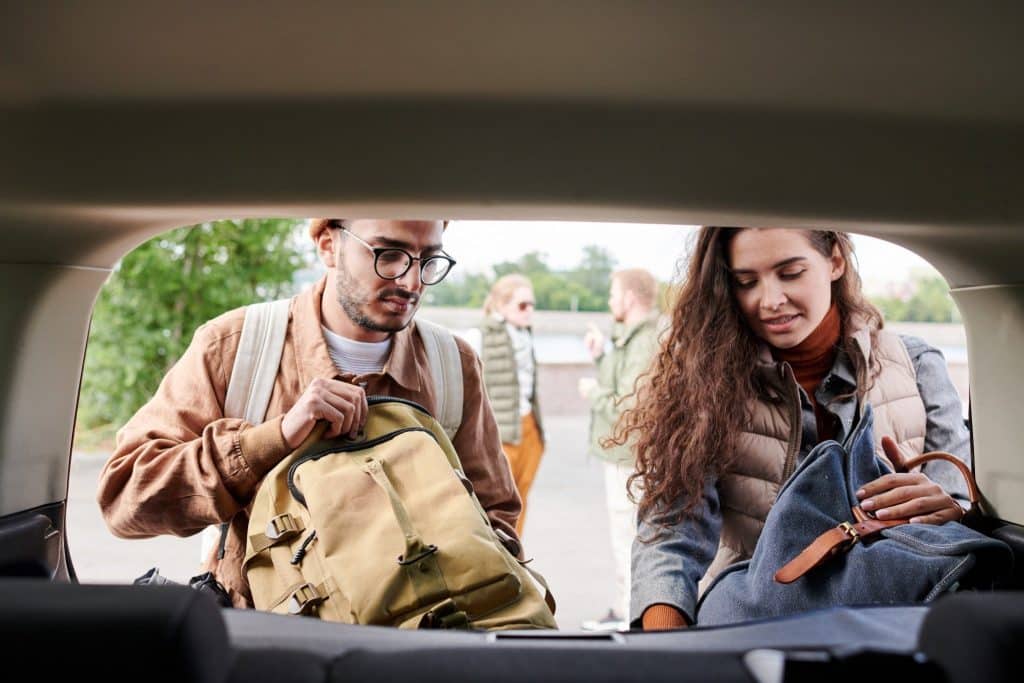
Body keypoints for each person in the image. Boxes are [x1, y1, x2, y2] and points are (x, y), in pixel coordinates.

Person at [97, 218, 524, 608]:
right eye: (388, 255)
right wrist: (272, 439)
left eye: (429, 259)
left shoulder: (453, 365)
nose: (412, 281)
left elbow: (495, 517)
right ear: (327, 245)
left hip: (415, 646)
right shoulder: (234, 347)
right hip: (268, 648)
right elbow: (124, 499)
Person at [616, 227, 971, 630]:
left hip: (898, 623)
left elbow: (964, 512)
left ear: (835, 261)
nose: (769, 301)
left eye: (790, 273)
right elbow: (671, 531)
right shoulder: (704, 383)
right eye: (746, 282)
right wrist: (667, 644)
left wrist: (947, 508)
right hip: (755, 626)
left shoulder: (918, 365)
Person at [578, 268, 661, 632]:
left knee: (627, 538)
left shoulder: (643, 342)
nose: (610, 301)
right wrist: (600, 356)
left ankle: (630, 619)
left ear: (629, 297)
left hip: (628, 459)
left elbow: (629, 406)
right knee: (627, 536)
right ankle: (623, 608)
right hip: (627, 456)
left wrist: (591, 392)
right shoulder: (637, 337)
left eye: (613, 294)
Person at [477, 274, 545, 538]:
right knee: (497, 503)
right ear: (501, 306)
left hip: (529, 428)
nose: (529, 311)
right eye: (522, 305)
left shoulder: (526, 336)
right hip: (500, 433)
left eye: (532, 305)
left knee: (522, 498)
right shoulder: (480, 335)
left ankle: (516, 554)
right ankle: (496, 559)